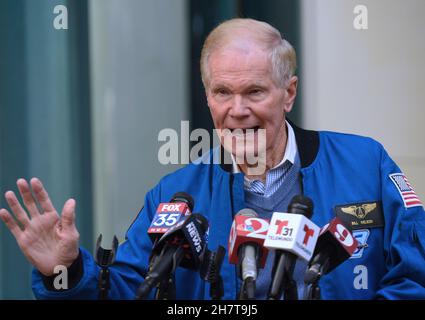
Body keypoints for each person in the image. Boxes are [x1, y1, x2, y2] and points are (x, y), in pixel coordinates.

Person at [1, 18, 424, 300]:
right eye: (223, 93)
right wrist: (68, 271)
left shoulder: (365, 162)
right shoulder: (176, 194)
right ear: (208, 97)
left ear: (289, 93)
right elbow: (130, 290)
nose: (237, 110)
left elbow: (416, 275)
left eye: (255, 92)